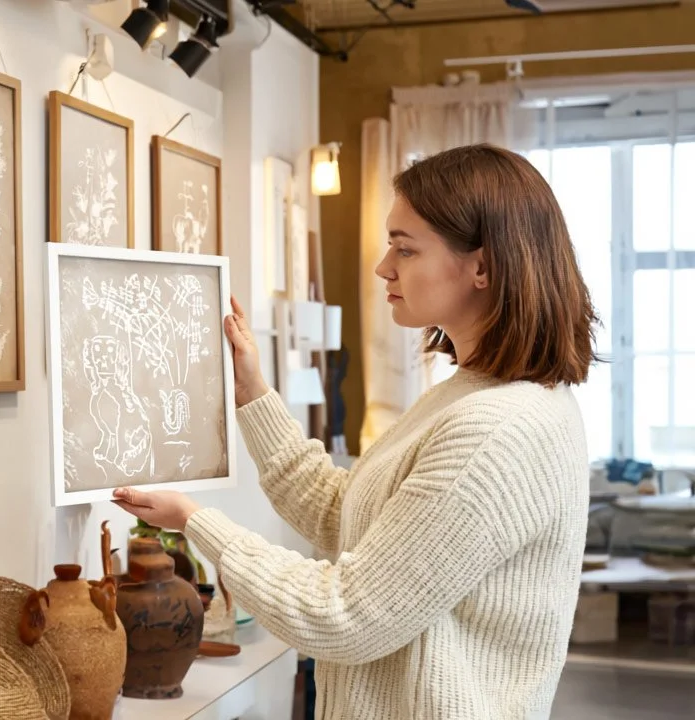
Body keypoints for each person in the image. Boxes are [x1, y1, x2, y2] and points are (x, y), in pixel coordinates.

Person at [113, 144, 596, 719]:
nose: (383, 266)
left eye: (405, 248)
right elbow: (346, 516)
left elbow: (344, 615)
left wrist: (197, 521)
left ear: (483, 267)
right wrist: (252, 395)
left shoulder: (497, 431)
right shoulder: (466, 397)